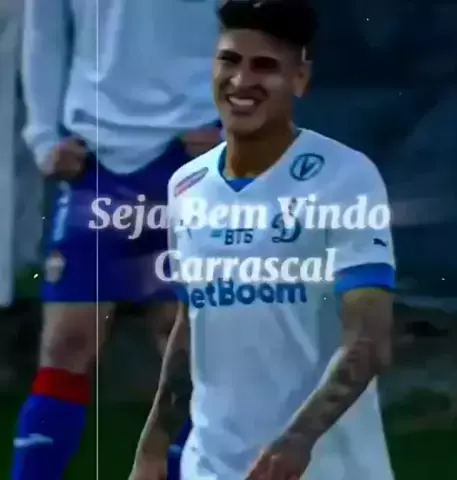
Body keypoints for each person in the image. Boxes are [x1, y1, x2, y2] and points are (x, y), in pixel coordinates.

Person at [131, 0, 397, 478]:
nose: (241, 80)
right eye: (229, 61)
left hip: (326, 468)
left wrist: (298, 440)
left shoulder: (345, 177)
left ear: (300, 78)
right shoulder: (186, 186)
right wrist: (153, 445)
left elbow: (370, 338)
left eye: (265, 66)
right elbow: (193, 322)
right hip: (212, 466)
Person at [11, 0, 221, 478]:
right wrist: (43, 137)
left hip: (195, 151)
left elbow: (263, 20)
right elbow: (43, 29)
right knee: (66, 345)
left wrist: (244, 125)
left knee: (188, 354)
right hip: (96, 158)